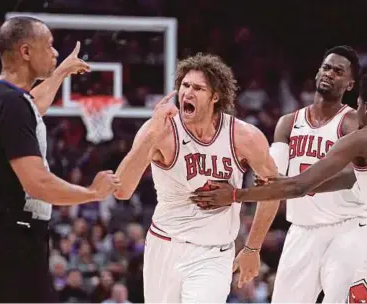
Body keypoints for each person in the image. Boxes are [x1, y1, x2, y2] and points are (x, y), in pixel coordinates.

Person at [192, 68, 367, 303]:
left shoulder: (364, 138)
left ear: (365, 107)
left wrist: (236, 194)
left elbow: (299, 187)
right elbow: (349, 179)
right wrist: (294, 183)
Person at [0, 16, 120, 302]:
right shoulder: (12, 105)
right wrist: (92, 193)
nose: (55, 52)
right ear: (26, 52)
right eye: (48, 46)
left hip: (0, 233)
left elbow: (33, 107)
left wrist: (60, 73)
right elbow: (37, 183)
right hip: (14, 237)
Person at [113, 53, 280, 302]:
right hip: (165, 245)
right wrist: (151, 136)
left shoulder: (244, 137)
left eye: (198, 88)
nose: (187, 93)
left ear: (216, 96)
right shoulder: (160, 130)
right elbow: (121, 190)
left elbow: (272, 189)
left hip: (214, 253)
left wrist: (252, 248)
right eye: (185, 86)